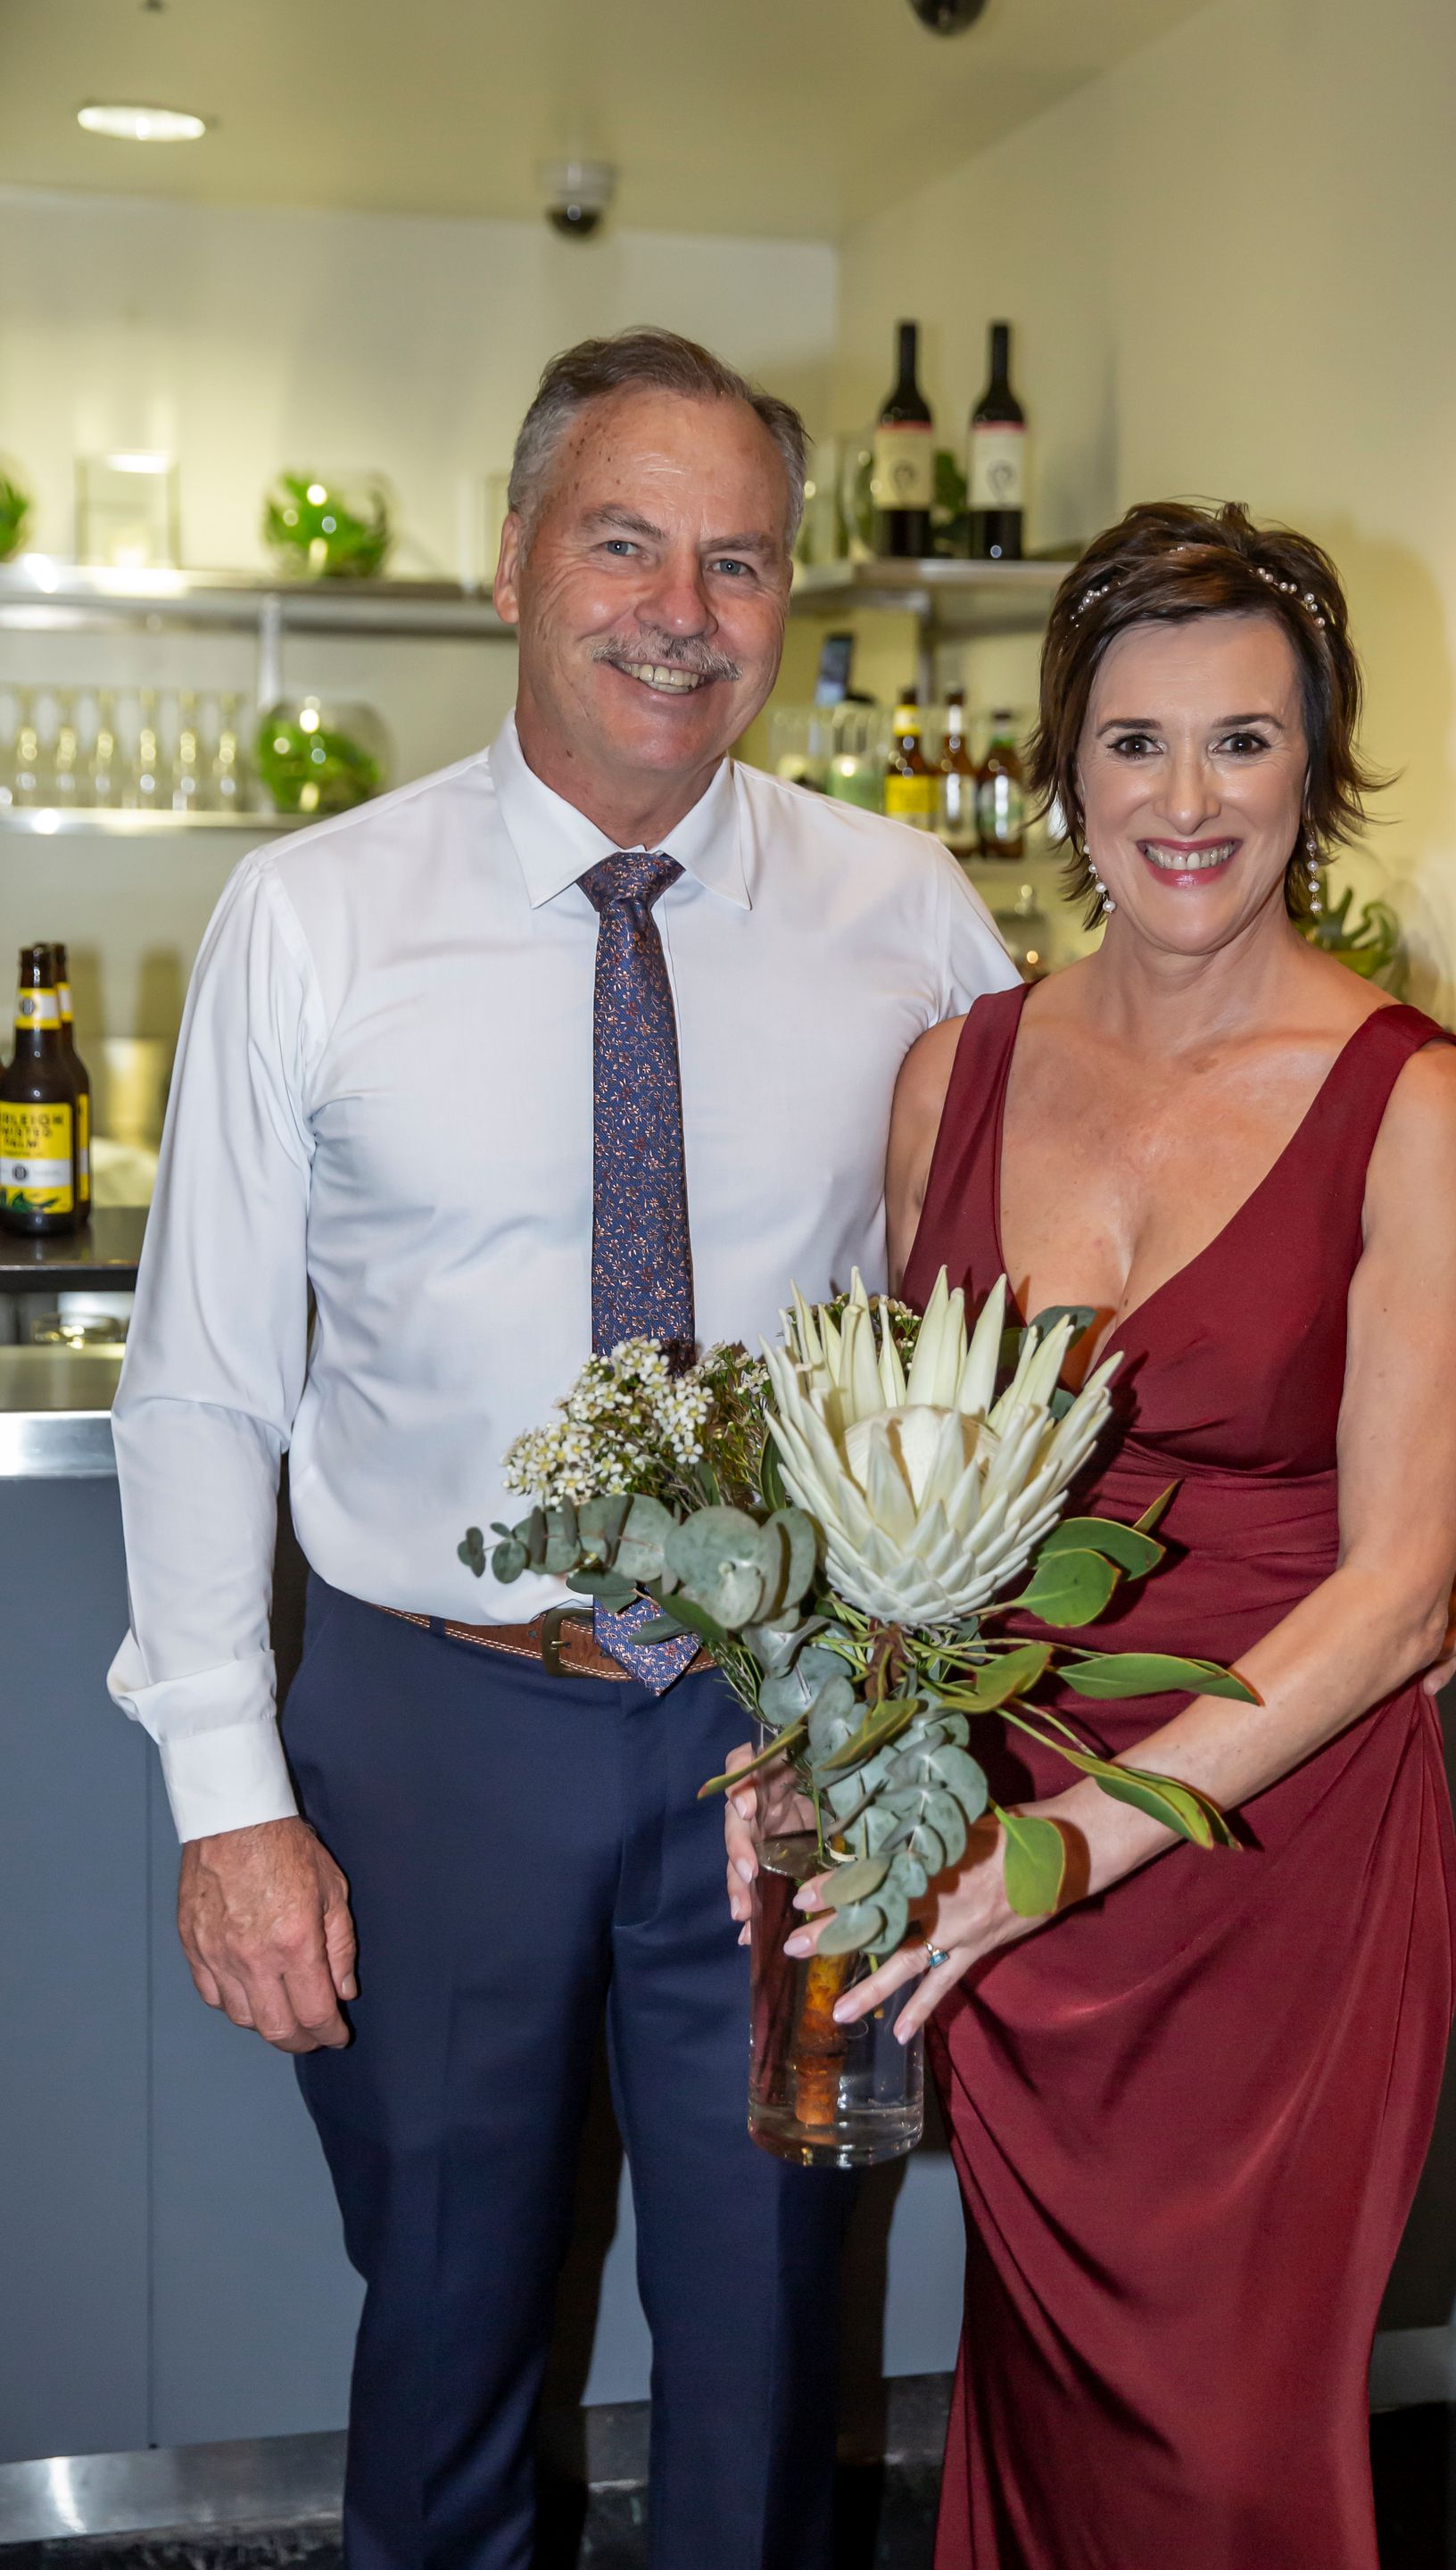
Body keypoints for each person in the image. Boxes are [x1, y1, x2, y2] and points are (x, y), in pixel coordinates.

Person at [106, 327, 1017, 2570]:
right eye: (625, 543)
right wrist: (230, 1804)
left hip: (783, 1738)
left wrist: (912, 1703)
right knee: (442, 2325)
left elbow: (1004, 1314)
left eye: (739, 562)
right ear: (514, 562)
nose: (680, 613)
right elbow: (204, 1383)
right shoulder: (314, 918)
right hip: (432, 1729)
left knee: (772, 2327)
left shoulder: (908, 920)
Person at [732, 501, 1456, 2569]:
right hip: (999, 1851)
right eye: (1137, 742)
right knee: (1049, 2398)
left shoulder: (1414, 1101)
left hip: (1271, 1866)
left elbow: (1398, 1588)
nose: (1187, 801)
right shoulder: (955, 1075)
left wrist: (1064, 1848)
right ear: (1064, 769)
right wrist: (830, 1745)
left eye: (1244, 741)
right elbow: (897, 1487)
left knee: (1234, 2449)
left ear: (1314, 771)